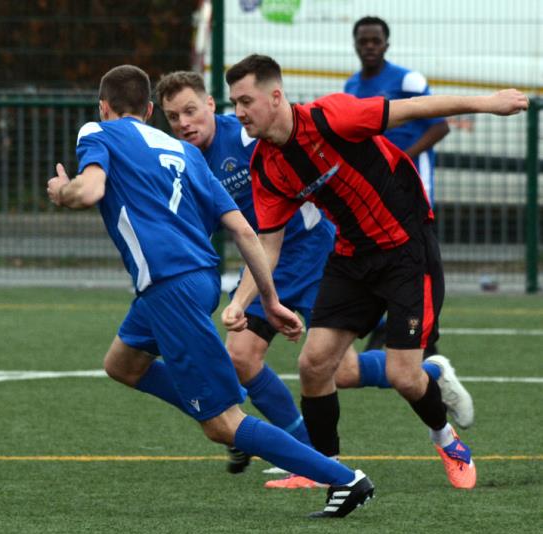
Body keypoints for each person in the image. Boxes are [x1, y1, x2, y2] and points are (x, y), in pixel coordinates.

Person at [47, 64, 374, 517]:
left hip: (171, 287)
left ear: (104, 107)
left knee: (222, 425)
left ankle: (343, 479)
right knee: (122, 364)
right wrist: (269, 299)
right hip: (195, 281)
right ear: (149, 110)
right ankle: (220, 397)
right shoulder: (185, 152)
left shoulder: (97, 132)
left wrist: (63, 190)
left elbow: (89, 191)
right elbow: (244, 230)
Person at [223, 54, 529, 491]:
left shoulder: (332, 116)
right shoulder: (267, 166)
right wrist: (240, 302)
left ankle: (447, 440)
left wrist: (487, 102)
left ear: (275, 97)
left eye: (246, 101)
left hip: (407, 249)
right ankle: (324, 469)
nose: (239, 112)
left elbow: (414, 108)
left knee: (404, 375)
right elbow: (267, 245)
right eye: (234, 103)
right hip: (351, 256)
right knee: (314, 364)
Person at [154, 70, 473, 489]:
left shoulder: (249, 137)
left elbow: (302, 149)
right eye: (173, 117)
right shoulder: (184, 161)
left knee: (330, 368)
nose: (184, 123)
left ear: (212, 105)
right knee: (270, 360)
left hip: (312, 254)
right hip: (269, 260)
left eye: (191, 111)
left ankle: (417, 382)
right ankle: (312, 454)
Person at [344, 15, 450, 355]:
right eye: (363, 41)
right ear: (355, 44)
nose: (369, 46)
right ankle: (390, 328)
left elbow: (440, 126)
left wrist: (401, 157)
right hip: (373, 188)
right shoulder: (351, 87)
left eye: (375, 41)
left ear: (386, 44)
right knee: (380, 252)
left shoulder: (409, 79)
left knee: (415, 254)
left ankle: (420, 332)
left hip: (411, 183)